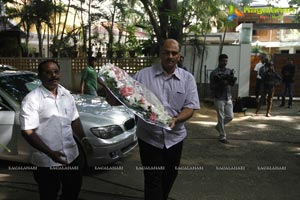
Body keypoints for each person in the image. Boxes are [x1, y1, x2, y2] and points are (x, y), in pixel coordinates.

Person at [134, 39, 200, 200]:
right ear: (160, 54)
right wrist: (110, 87)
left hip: (175, 138)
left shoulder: (187, 79)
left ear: (179, 56)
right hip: (149, 138)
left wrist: (177, 119)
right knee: (152, 179)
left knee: (170, 175)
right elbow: (127, 96)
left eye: (174, 53)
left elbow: (190, 107)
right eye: (166, 52)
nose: (170, 56)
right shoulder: (143, 75)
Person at [20, 59, 87, 200]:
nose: (53, 75)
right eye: (48, 72)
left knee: (73, 190)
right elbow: (27, 131)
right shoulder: (31, 100)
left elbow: (74, 119)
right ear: (40, 76)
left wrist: (84, 140)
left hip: (71, 155)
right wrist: (51, 153)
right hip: (47, 161)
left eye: (56, 72)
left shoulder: (66, 95)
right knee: (48, 194)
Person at [210, 54, 237, 144]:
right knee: (221, 117)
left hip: (228, 96)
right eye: (223, 61)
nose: (225, 63)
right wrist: (221, 83)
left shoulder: (229, 71)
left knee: (230, 116)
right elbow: (212, 86)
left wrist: (231, 81)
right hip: (218, 97)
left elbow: (232, 83)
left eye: (226, 61)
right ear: (219, 61)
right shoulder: (214, 73)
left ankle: (218, 127)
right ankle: (222, 136)